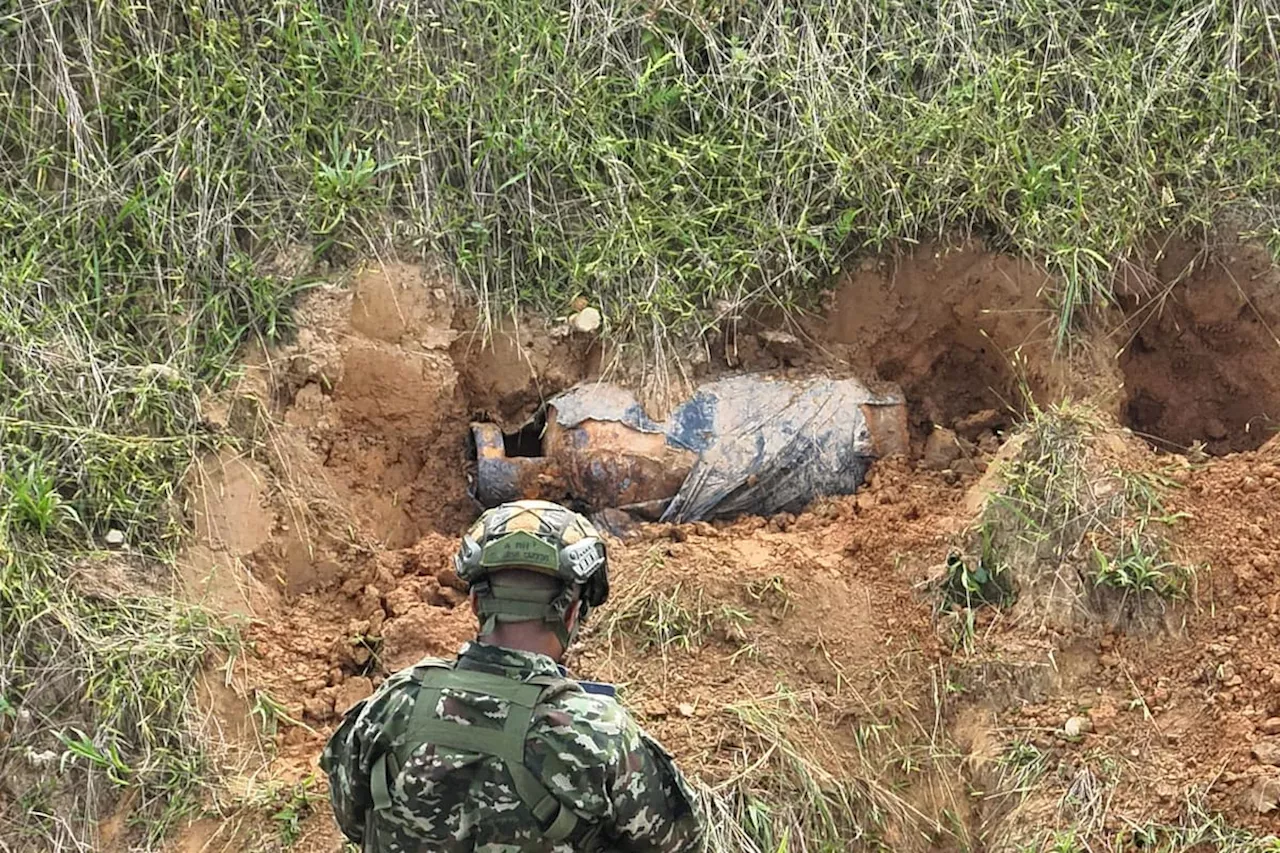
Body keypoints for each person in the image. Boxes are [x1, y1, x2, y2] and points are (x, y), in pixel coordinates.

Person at [320, 499, 706, 852]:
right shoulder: (599, 734)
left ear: (474, 604)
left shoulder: (393, 704)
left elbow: (352, 817)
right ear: (571, 615)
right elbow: (677, 842)